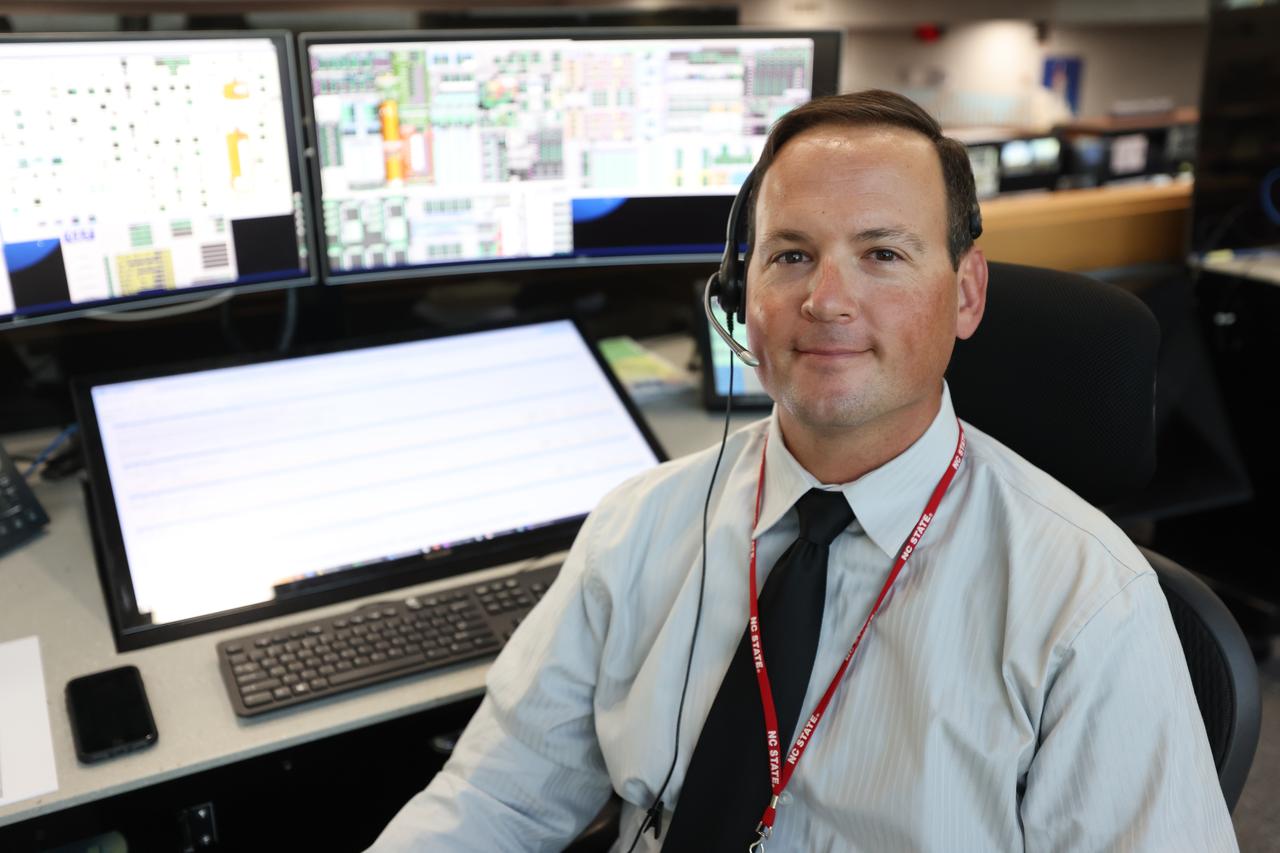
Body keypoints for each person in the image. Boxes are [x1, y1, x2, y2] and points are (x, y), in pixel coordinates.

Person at [369, 90, 1237, 852]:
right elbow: (493, 798)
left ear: (966, 294)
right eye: (789, 254)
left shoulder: (1087, 605)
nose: (826, 299)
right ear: (738, 292)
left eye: (883, 254)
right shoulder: (640, 525)